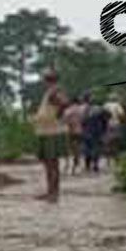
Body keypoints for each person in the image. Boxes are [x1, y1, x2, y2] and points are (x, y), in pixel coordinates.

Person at [31, 69, 69, 201]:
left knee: (52, 164)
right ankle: (50, 191)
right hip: (47, 131)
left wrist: (58, 115)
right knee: (49, 164)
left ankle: (54, 194)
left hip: (52, 132)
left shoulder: (54, 91)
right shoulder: (51, 92)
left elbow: (64, 103)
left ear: (47, 79)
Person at [81, 95, 109, 174]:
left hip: (87, 131)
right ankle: (95, 165)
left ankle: (87, 166)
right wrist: (104, 130)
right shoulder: (101, 109)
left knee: (87, 148)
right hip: (97, 132)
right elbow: (105, 121)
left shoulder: (86, 110)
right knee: (96, 148)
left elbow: (83, 121)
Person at [63, 93, 88, 174]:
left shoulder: (68, 110)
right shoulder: (81, 110)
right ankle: (77, 163)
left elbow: (64, 120)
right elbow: (84, 120)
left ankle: (67, 165)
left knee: (68, 148)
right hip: (79, 130)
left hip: (69, 131)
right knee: (78, 148)